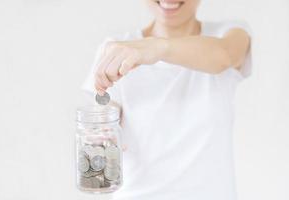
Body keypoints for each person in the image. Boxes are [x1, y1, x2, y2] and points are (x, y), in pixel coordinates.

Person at [82, 0, 252, 199]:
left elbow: (225, 56)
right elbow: (103, 123)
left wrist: (158, 48)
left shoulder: (228, 35)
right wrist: (103, 135)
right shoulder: (116, 49)